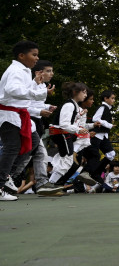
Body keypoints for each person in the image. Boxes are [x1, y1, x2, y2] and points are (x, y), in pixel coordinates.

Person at [0, 41, 51, 201]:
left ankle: (8, 175)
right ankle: (1, 183)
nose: (37, 58)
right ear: (22, 55)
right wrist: (35, 93)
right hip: (9, 116)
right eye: (34, 54)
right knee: (12, 148)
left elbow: (22, 91)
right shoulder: (16, 70)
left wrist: (35, 84)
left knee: (33, 141)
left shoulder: (23, 70)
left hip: (19, 115)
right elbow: (12, 90)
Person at [9, 60, 59, 195]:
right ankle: (10, 178)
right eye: (48, 71)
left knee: (36, 153)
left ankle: (39, 183)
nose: (52, 73)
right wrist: (39, 112)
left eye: (51, 70)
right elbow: (23, 106)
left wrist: (47, 107)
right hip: (27, 122)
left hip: (36, 122)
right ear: (38, 73)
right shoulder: (30, 85)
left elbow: (36, 105)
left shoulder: (42, 86)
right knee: (30, 152)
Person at [84, 90, 118, 184]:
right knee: (94, 156)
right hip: (96, 135)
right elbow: (95, 119)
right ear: (105, 98)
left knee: (111, 154)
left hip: (103, 135)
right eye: (112, 98)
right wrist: (109, 124)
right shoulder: (103, 107)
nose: (114, 100)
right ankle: (87, 173)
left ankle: (95, 173)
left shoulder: (107, 109)